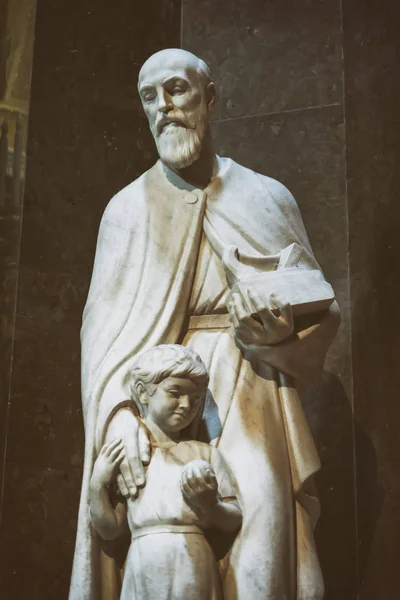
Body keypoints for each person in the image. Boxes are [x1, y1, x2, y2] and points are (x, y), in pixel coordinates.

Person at [70, 48, 340, 600]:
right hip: (156, 405)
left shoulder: (266, 196)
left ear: (210, 98)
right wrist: (120, 417)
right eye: (150, 97)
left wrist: (276, 334)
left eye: (176, 90)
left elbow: (321, 310)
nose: (164, 107)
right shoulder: (125, 211)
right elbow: (102, 343)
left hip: (252, 389)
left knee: (259, 546)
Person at [89, 344, 242, 600]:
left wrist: (210, 506)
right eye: (175, 393)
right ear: (143, 392)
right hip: (144, 563)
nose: (186, 405)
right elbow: (110, 529)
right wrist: (97, 485)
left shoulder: (205, 454)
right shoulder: (130, 456)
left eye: (195, 399)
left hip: (193, 564)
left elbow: (233, 517)